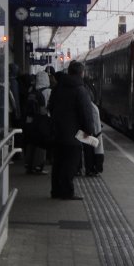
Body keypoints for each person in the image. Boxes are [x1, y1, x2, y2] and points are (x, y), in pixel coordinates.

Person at [47, 60, 95, 200]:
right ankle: (67, 192)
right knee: (70, 163)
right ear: (81, 73)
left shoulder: (58, 88)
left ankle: (55, 191)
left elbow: (50, 106)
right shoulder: (80, 89)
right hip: (73, 135)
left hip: (57, 132)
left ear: (69, 72)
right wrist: (89, 130)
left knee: (58, 162)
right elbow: (86, 112)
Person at [23, 70, 52, 174]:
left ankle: (28, 164)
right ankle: (38, 166)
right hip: (42, 121)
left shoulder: (32, 91)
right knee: (41, 144)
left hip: (30, 121)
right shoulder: (48, 92)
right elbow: (44, 110)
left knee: (31, 143)